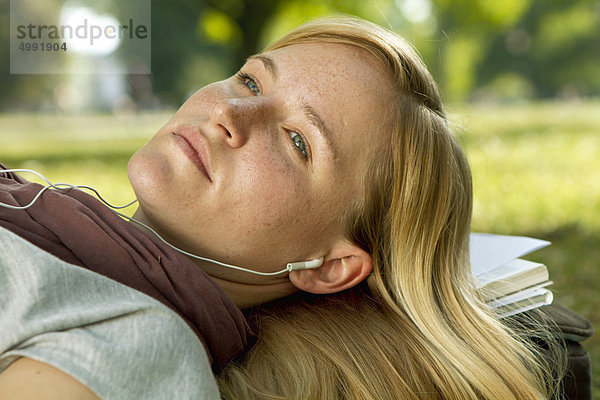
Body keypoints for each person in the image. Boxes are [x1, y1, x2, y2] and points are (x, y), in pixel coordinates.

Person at [0, 15, 568, 399]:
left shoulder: (139, 349)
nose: (229, 114)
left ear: (327, 267)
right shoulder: (63, 231)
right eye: (250, 82)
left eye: (298, 142)